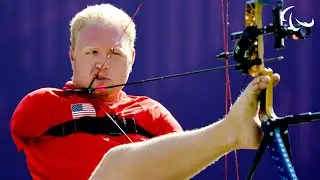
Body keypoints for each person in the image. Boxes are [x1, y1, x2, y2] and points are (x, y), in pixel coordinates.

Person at [10, 3, 280, 180]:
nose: (101, 63)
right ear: (72, 56)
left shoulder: (151, 111)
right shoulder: (41, 103)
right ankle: (231, 131)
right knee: (116, 161)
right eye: (91, 52)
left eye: (114, 53)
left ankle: (233, 131)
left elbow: (180, 164)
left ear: (132, 59)